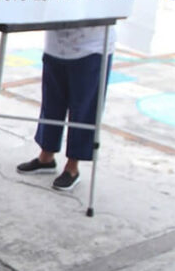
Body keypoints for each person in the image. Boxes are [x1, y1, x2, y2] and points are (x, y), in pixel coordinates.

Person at [16, 27, 114, 191]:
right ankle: (46, 157)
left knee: (84, 110)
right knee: (51, 103)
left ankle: (72, 167)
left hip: (91, 47)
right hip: (56, 45)